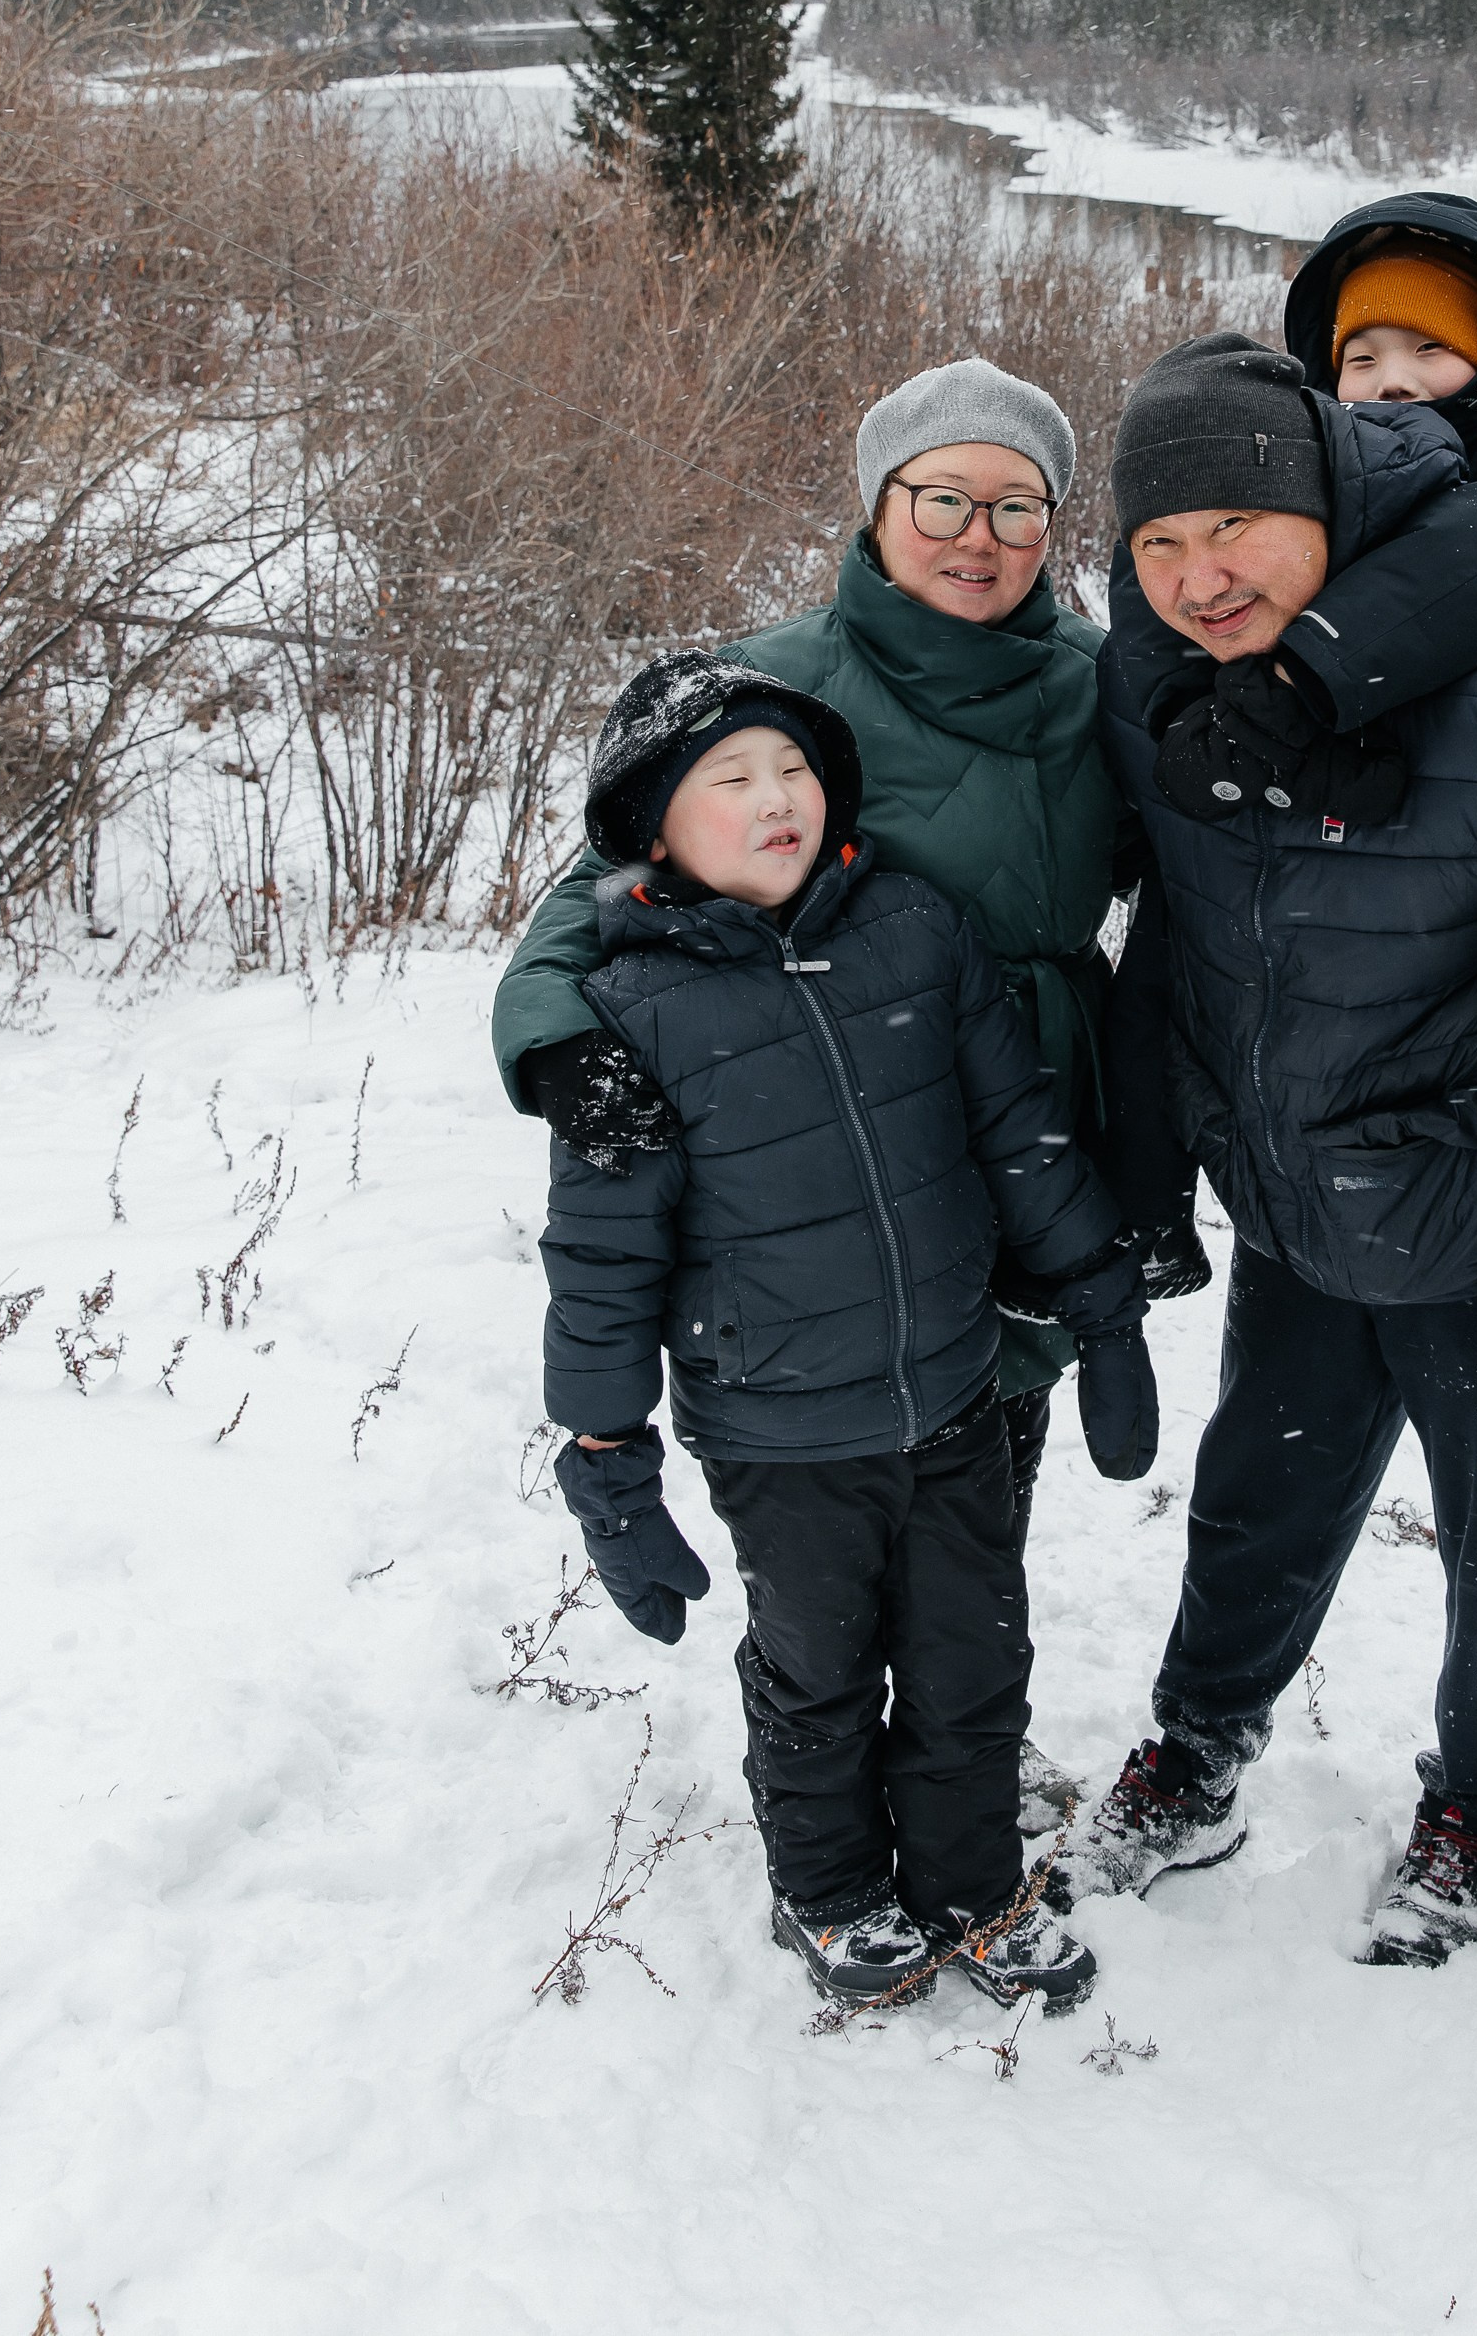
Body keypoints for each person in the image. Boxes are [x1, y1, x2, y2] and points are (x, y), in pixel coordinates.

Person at [1062, 331, 1477, 1965]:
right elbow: (1168, 930)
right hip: (1296, 1221)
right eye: (1156, 542)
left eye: (1231, 526)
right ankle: (1200, 1747)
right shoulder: (1163, 688)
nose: (1194, 573)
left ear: (1319, 500)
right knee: (1252, 1503)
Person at [493, 357, 1204, 1592]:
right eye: (942, 498)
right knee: (846, 1461)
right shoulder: (778, 686)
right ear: (879, 506)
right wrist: (559, 1038)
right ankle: (824, 1715)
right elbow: (598, 883)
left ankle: (961, 1703)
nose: (978, 538)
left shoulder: (1103, 683)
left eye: (1016, 505)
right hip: (841, 1108)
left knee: (989, 1445)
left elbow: (1201, 868)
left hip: (1036, 1095)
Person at [530, 651, 1157, 2016]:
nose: (776, 800)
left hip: (950, 1398)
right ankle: (828, 1891)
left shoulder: (913, 932)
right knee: (820, 1675)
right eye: (731, 779)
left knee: (973, 1662)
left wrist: (1101, 1301)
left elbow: (1019, 1137)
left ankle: (971, 1883)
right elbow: (599, 1262)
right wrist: (605, 1459)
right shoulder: (627, 1017)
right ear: (651, 825)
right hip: (779, 1428)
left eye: (796, 769)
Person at [1107, 193, 1477, 1504]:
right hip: (1312, 1135)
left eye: (1429, 356)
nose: (1394, 389)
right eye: (1360, 362)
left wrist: (1329, 688)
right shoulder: (1260, 530)